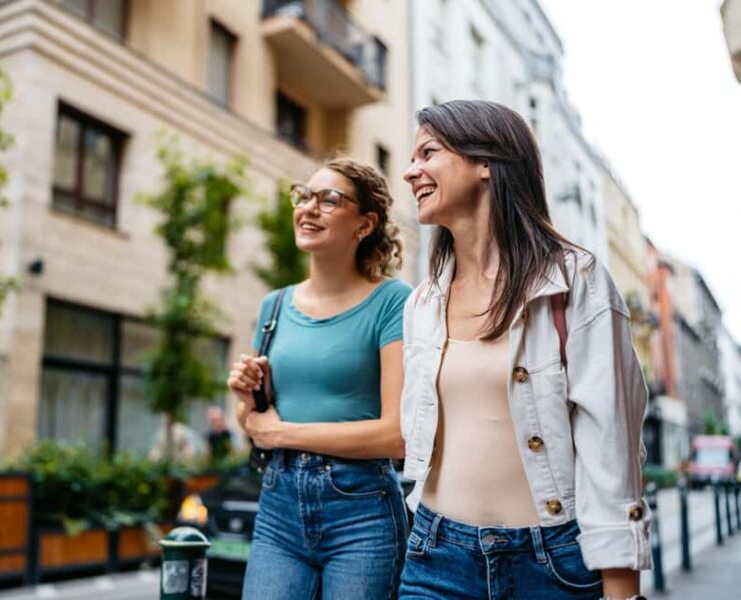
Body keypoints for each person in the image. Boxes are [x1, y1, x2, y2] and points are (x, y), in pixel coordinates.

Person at [398, 101, 650, 600]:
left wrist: (622, 590)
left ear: (486, 161)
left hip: (553, 563)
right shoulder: (422, 303)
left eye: (428, 152)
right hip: (436, 559)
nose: (411, 171)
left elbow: (612, 452)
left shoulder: (575, 283)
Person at [227, 158, 411, 600]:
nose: (309, 208)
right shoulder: (274, 306)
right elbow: (254, 426)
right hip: (278, 504)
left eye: (329, 200)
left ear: (364, 224)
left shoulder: (392, 302)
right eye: (303, 196)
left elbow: (398, 435)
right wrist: (246, 398)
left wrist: (281, 432)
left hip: (361, 510)